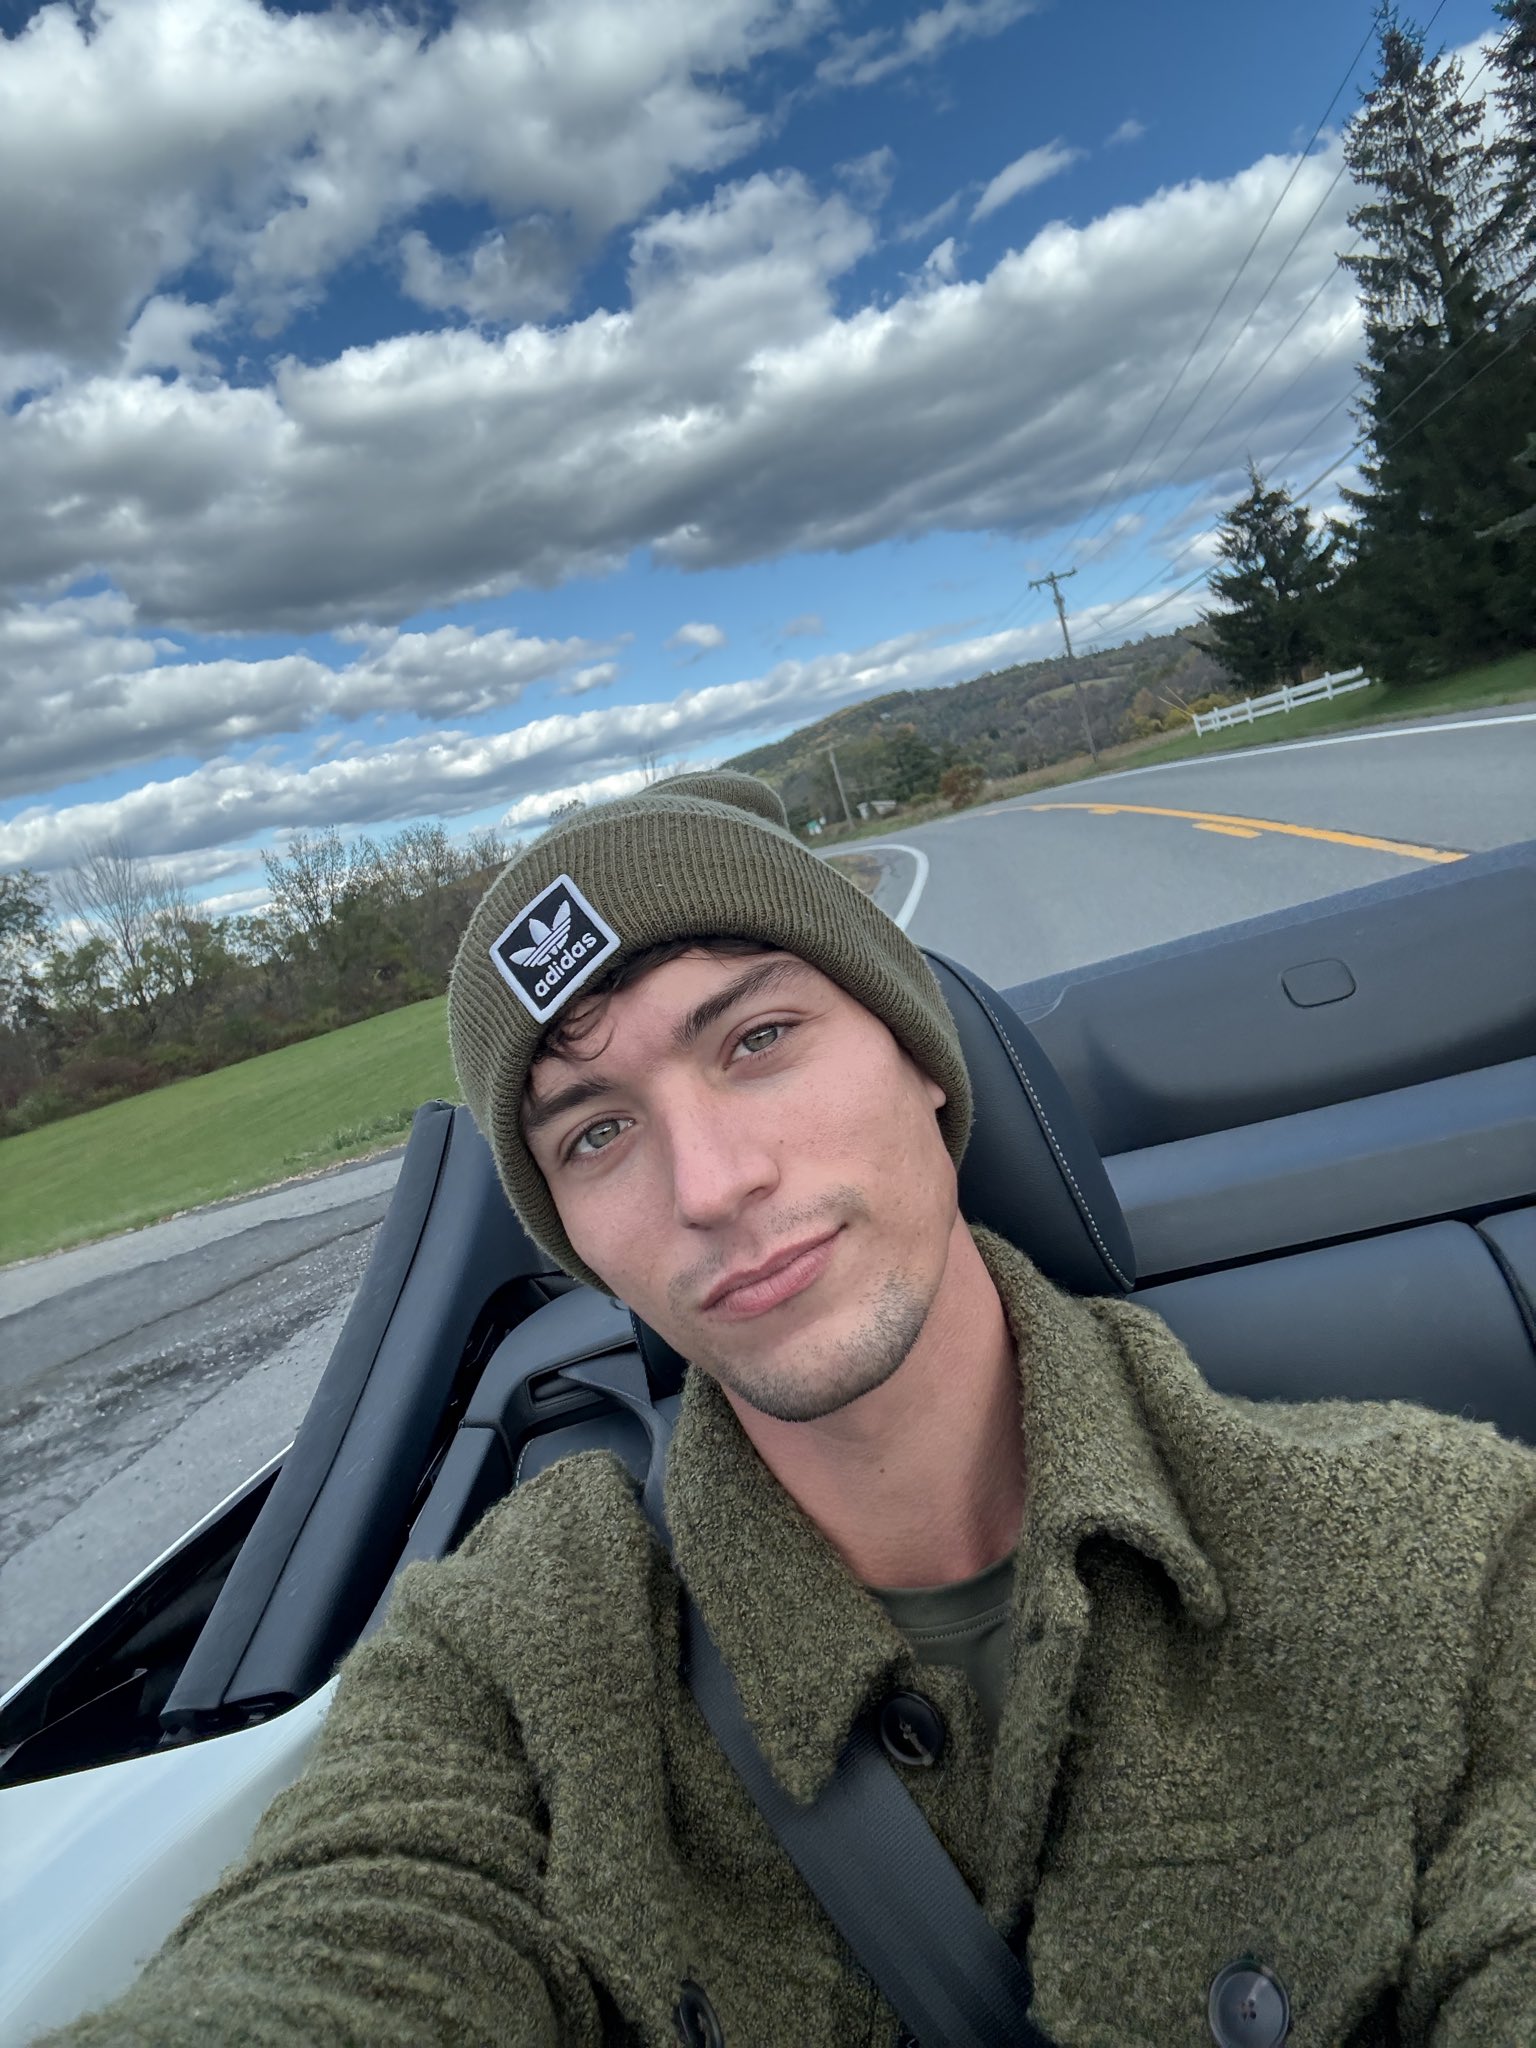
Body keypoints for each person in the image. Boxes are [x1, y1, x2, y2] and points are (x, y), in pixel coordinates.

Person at [46, 772, 1535, 2047]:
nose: (710, 1186)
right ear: (582, 1244)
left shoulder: (1438, 1554)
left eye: (755, 1040)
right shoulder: (505, 1665)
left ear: (922, 1059)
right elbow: (345, 1944)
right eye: (597, 1132)